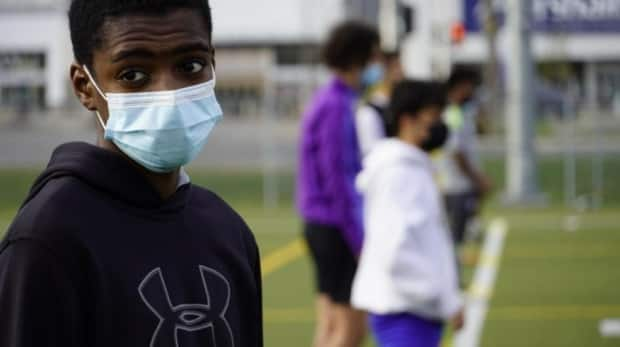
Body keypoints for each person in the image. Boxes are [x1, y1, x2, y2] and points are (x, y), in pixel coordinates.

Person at [0, 1, 263, 346]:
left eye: (190, 65)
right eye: (133, 75)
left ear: (212, 65)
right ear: (85, 87)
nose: (168, 94)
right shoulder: (47, 240)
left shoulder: (229, 231)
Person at [352, 80, 463, 347]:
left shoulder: (410, 169)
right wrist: (440, 297)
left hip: (412, 309)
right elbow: (395, 251)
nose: (438, 126)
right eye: (432, 117)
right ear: (407, 119)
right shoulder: (400, 174)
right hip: (405, 311)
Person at [296, 21, 381, 347]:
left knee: (330, 325)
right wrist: (359, 239)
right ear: (358, 58)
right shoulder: (336, 105)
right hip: (335, 225)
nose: (376, 66)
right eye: (373, 57)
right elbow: (338, 179)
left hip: (321, 223)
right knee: (351, 329)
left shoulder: (330, 99)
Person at [434, 67, 492, 274]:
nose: (473, 92)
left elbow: (483, 130)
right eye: (471, 86)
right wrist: (476, 178)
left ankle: (452, 278)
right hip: (454, 185)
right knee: (453, 238)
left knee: (456, 237)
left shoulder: (461, 111)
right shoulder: (452, 113)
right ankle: (450, 281)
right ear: (461, 86)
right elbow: (455, 151)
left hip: (459, 184)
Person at [356, 50, 404, 158]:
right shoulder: (368, 112)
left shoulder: (396, 105)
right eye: (396, 67)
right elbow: (371, 154)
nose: (401, 72)